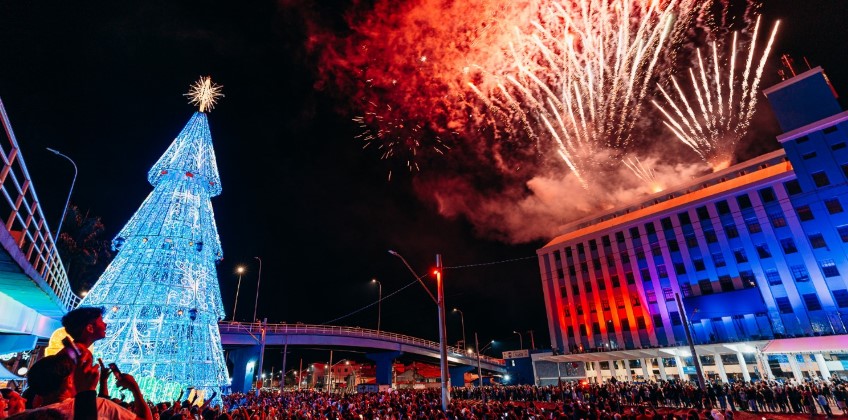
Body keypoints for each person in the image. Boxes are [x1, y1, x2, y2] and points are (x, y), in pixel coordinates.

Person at [20, 351, 151, 420]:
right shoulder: (99, 407)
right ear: (68, 380)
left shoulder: (24, 417)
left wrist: (103, 382)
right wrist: (134, 388)